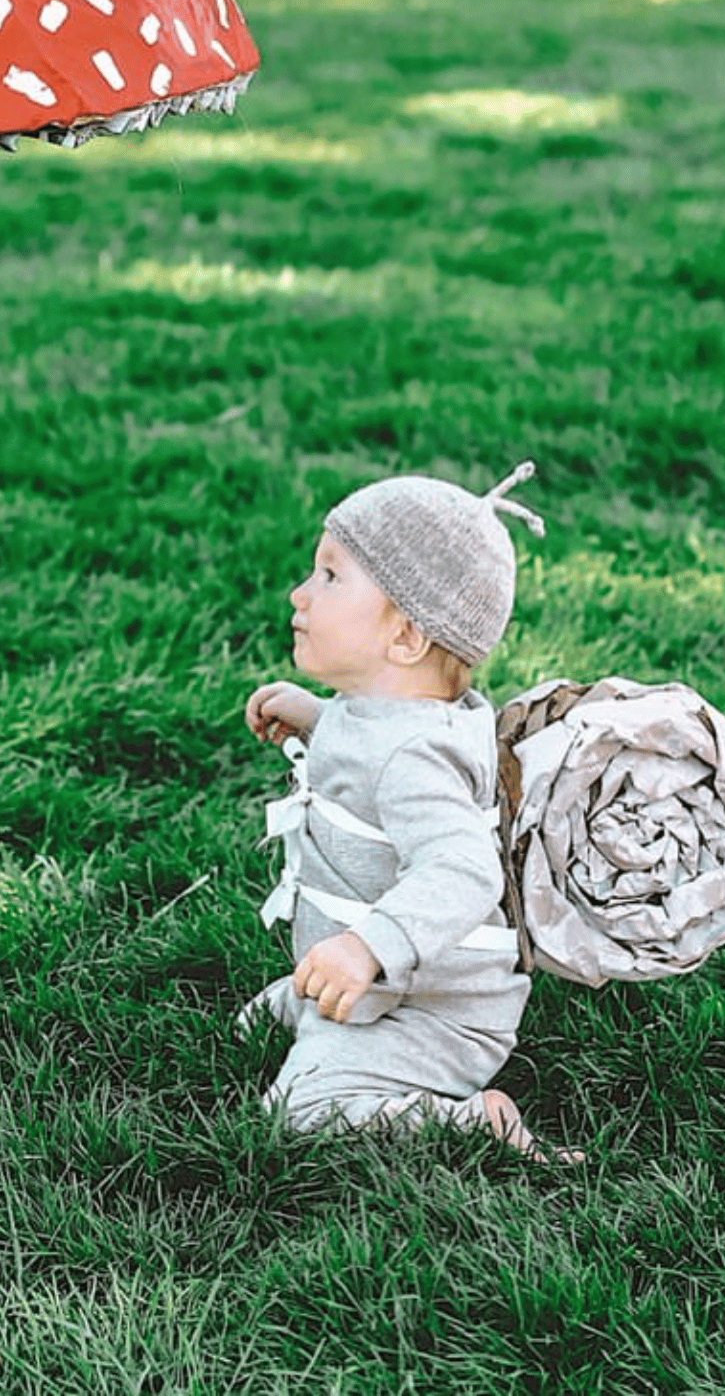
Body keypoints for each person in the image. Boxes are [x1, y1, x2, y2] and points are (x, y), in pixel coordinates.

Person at [242, 463, 561, 1158]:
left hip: (431, 1010)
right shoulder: (396, 715)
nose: (301, 593)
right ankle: (329, 1012)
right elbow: (372, 748)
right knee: (257, 1022)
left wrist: (369, 948)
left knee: (300, 1115)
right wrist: (318, 722)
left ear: (406, 639)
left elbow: (464, 869)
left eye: (330, 577)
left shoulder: (415, 760)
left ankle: (474, 1121)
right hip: (393, 989)